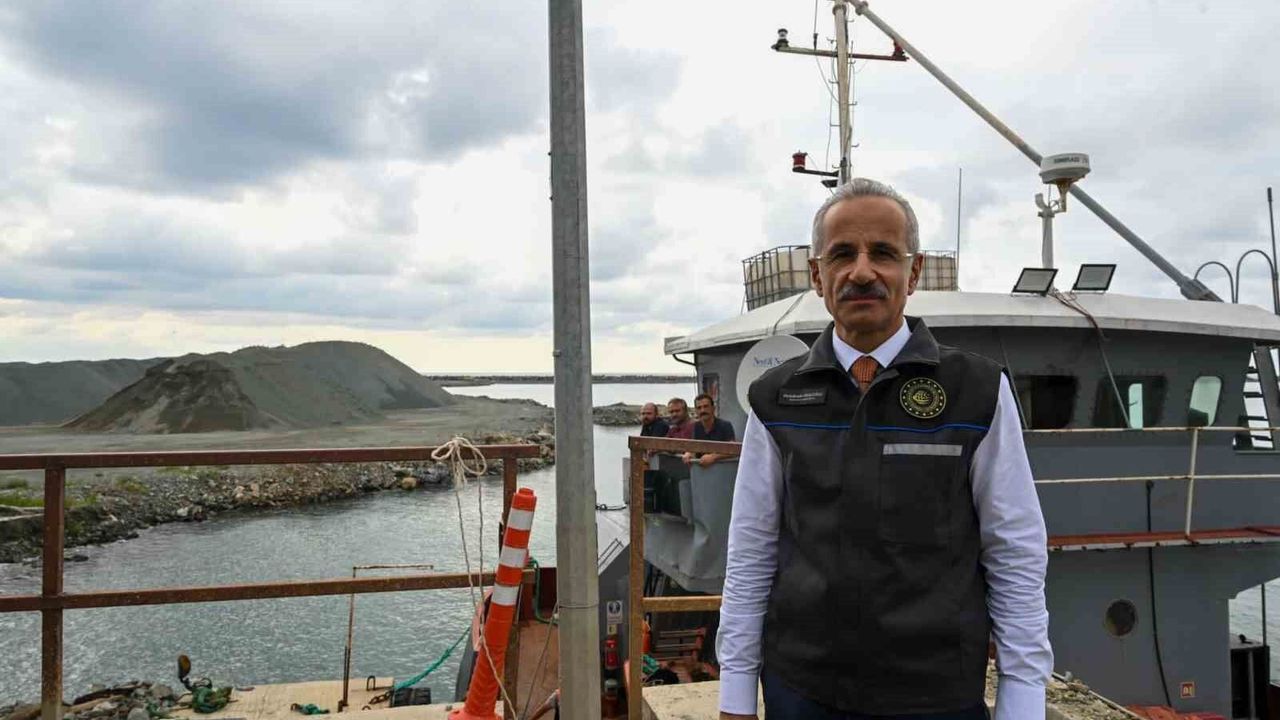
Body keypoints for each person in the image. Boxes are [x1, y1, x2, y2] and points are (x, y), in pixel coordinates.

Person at [718, 178, 1050, 720]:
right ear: (818, 276)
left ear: (912, 274)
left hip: (935, 696)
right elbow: (751, 550)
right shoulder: (775, 398)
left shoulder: (978, 391)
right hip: (802, 690)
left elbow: (1014, 549)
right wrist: (735, 692)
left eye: (883, 253)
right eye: (842, 254)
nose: (862, 271)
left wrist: (1023, 699)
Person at [681, 393, 735, 467]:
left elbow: (733, 450)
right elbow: (694, 447)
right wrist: (688, 454)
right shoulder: (696, 426)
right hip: (702, 471)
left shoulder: (725, 425)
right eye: (699, 408)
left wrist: (713, 457)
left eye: (706, 406)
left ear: (713, 408)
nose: (702, 410)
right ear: (696, 411)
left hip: (722, 469)